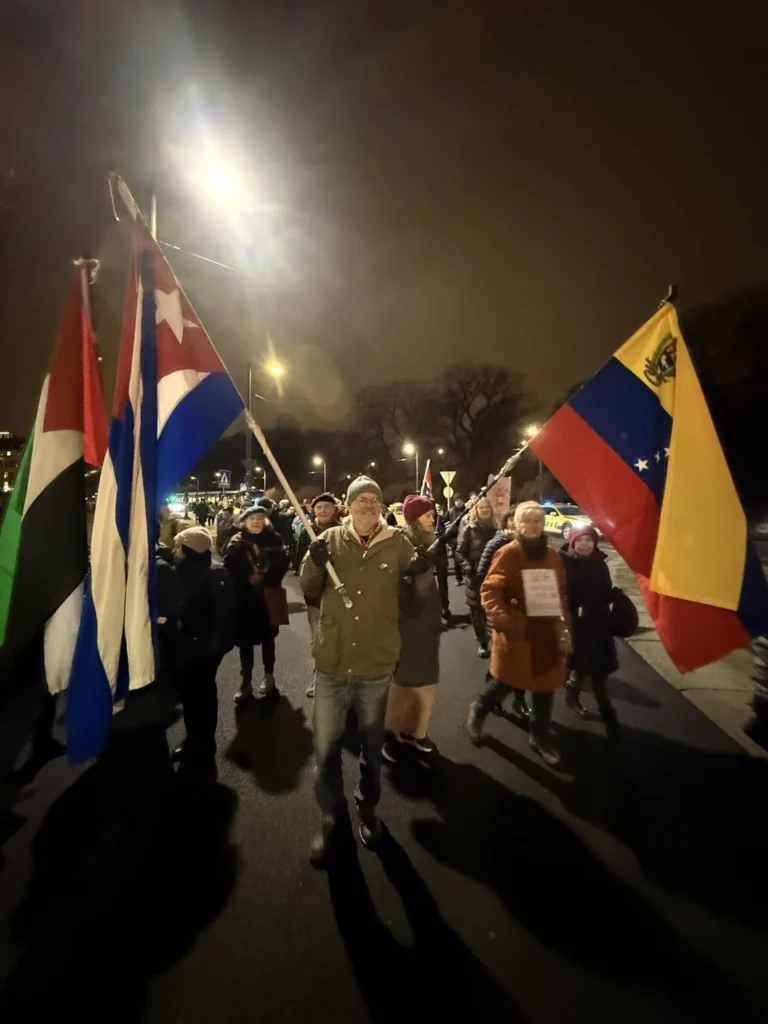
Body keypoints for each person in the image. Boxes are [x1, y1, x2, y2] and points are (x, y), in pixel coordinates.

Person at [299, 474, 416, 862]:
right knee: (327, 748)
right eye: (360, 499)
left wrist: (423, 572)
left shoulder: (399, 544)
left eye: (374, 499)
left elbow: (415, 601)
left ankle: (368, 807)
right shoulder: (328, 540)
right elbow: (310, 591)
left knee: (371, 746)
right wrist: (315, 565)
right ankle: (331, 817)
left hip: (376, 662)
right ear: (347, 506)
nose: (368, 504)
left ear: (381, 506)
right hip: (332, 662)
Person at [466, 501, 571, 766]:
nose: (533, 526)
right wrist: (508, 621)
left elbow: (560, 595)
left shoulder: (553, 557)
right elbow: (489, 591)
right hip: (518, 634)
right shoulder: (508, 553)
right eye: (527, 521)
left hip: (546, 635)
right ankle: (479, 710)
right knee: (505, 683)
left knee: (545, 689)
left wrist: (564, 628)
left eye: (537, 521)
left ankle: (540, 737)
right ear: (517, 524)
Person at [171, 527, 236, 778]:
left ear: (191, 549)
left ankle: (205, 745)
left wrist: (213, 650)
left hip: (204, 652)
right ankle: (192, 740)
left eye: (179, 547)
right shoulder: (181, 570)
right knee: (189, 698)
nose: (176, 552)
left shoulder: (215, 573)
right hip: (185, 648)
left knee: (204, 697)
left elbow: (223, 617)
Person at [383, 494, 443, 760]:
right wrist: (412, 573)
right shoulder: (401, 544)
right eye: (428, 514)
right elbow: (395, 586)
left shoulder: (431, 543)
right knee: (405, 681)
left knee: (427, 680)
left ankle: (416, 731)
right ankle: (391, 734)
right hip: (409, 624)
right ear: (415, 518)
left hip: (428, 624)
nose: (433, 519)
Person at [224, 502, 289, 703]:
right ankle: (245, 682)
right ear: (244, 522)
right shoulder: (236, 541)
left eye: (260, 519)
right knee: (245, 642)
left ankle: (269, 676)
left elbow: (283, 564)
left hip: (267, 595)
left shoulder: (274, 539)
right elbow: (230, 568)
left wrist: (267, 577)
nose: (256, 522)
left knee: (268, 639)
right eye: (252, 519)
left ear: (265, 521)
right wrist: (246, 578)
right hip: (245, 598)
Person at [471, 507, 529, 720]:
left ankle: (519, 700)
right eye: (516, 519)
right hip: (503, 611)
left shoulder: (532, 547)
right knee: (499, 659)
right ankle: (489, 699)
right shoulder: (497, 545)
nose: (521, 523)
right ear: (507, 522)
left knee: (523, 658)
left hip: (525, 612)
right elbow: (483, 575)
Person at [560, 525, 619, 730]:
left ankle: (606, 711)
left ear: (595, 543)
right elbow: (562, 592)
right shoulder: (565, 563)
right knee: (581, 665)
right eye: (579, 541)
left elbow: (605, 589)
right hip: (577, 624)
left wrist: (615, 596)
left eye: (588, 540)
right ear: (572, 543)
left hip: (599, 624)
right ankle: (576, 696)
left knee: (599, 671)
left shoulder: (599, 563)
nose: (584, 544)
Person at [295, 494, 343, 697]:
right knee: (319, 639)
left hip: (338, 594)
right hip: (316, 597)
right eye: (319, 507)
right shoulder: (308, 532)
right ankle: (319, 677)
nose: (322, 511)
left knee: (341, 637)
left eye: (327, 507)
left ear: (335, 510)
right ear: (313, 511)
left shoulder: (343, 531)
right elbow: (297, 560)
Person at [457, 495, 497, 656]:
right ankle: (481, 641)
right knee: (477, 610)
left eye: (487, 507)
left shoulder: (496, 528)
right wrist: (467, 567)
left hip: (493, 575)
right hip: (474, 575)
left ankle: (493, 639)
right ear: (476, 510)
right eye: (482, 508)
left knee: (493, 608)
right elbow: (459, 552)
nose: (485, 510)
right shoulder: (469, 528)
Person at [446, 495, 466, 584]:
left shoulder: (467, 510)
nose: (458, 502)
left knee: (467, 559)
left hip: (466, 538)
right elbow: (443, 520)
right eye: (457, 500)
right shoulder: (451, 511)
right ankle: (458, 578)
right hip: (455, 539)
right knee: (457, 560)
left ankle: (468, 576)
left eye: (460, 500)